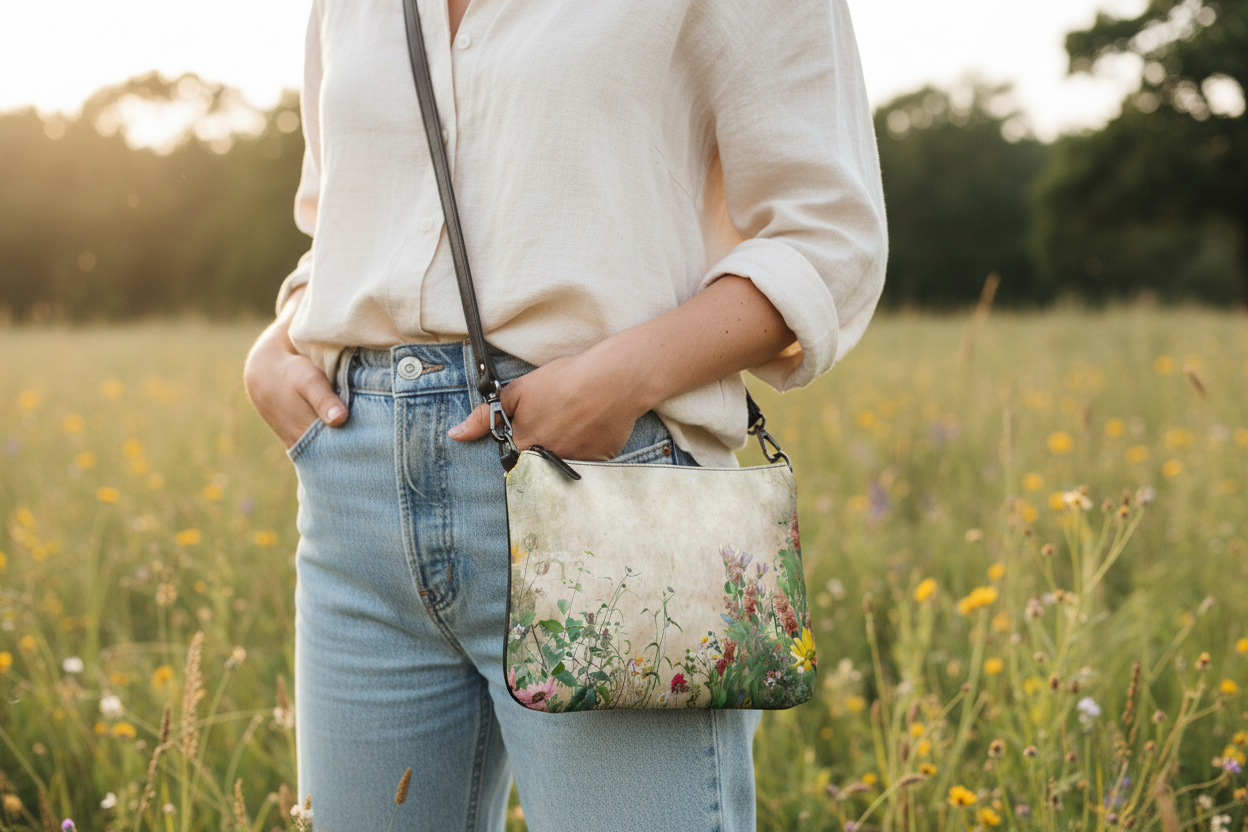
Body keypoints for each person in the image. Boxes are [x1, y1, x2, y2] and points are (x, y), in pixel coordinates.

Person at [243, 0, 887, 829]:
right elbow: (336, 219)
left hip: (603, 487)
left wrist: (627, 374)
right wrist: (279, 336)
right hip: (356, 504)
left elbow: (828, 235)